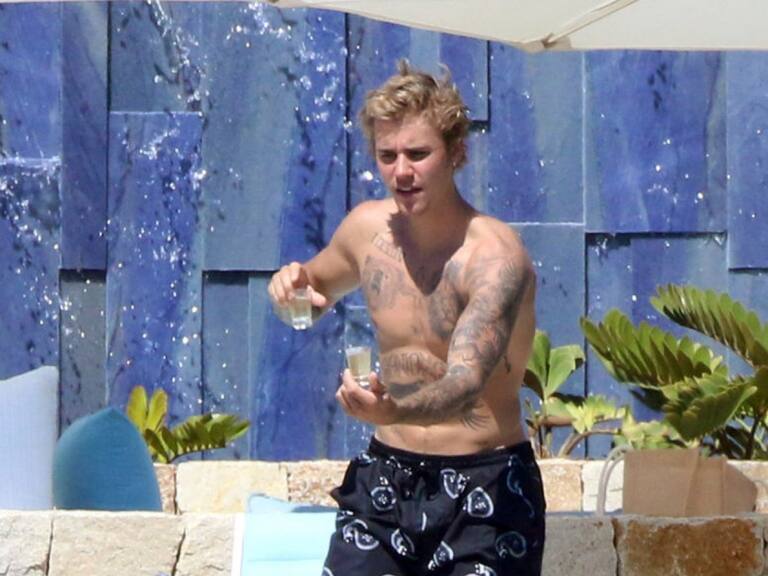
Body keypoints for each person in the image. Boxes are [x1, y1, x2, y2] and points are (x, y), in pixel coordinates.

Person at [268, 60, 545, 576]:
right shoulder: (365, 231)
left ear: (456, 153)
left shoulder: (494, 258)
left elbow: (465, 381)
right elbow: (311, 291)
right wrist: (287, 288)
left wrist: (392, 410)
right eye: (387, 155)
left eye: (418, 154)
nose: (401, 172)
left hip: (486, 488)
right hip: (388, 478)